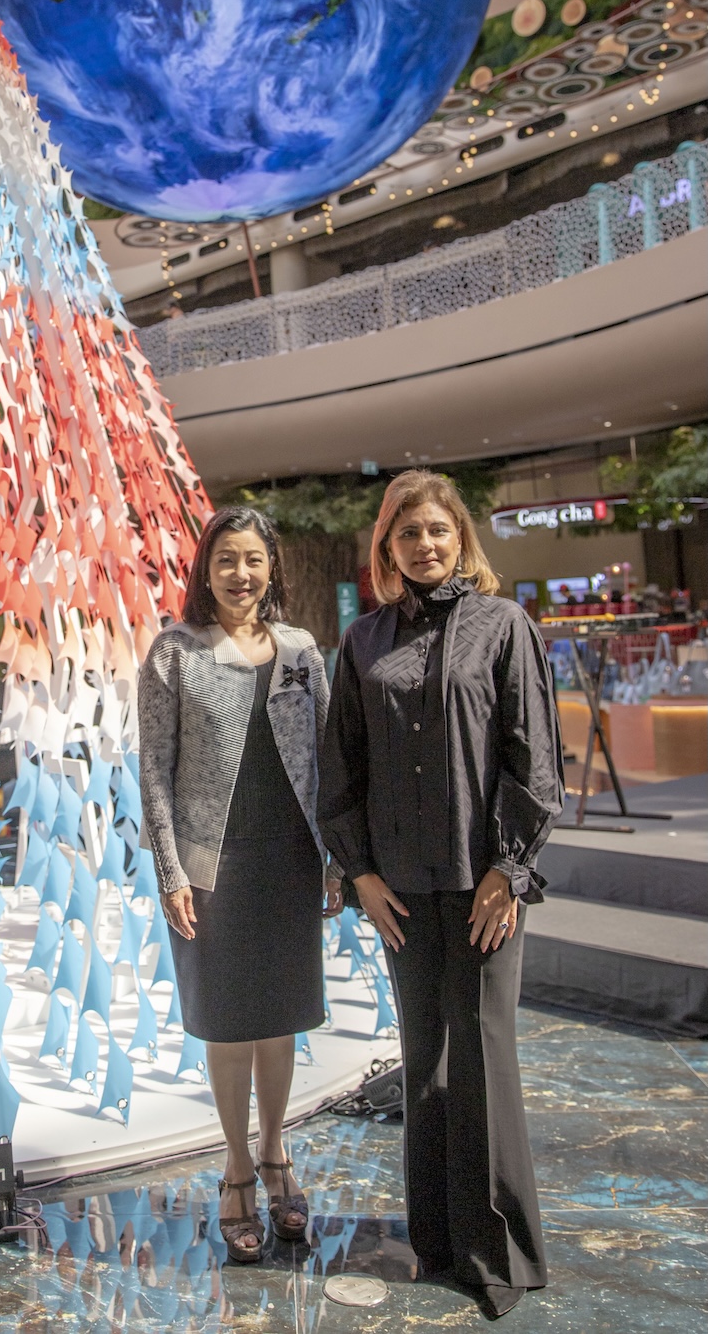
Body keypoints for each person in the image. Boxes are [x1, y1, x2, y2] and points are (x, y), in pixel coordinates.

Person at [318, 471, 564, 1321]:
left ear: (459, 537)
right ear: (386, 547)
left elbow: (532, 757)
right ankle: (435, 1241)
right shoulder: (362, 641)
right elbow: (341, 764)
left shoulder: (504, 626)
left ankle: (498, 1256)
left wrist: (509, 868)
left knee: (483, 1059)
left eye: (437, 530)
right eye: (407, 533)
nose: (424, 544)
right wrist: (359, 873)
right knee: (424, 1060)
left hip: (483, 885)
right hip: (400, 891)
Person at [139, 504, 342, 1264]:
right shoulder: (174, 652)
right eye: (225, 559)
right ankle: (234, 1168)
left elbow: (328, 759)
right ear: (206, 569)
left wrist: (336, 858)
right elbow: (153, 771)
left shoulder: (300, 651)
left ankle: (275, 1151)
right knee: (227, 1021)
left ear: (271, 567)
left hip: (289, 858)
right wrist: (170, 871)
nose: (240, 573)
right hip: (210, 867)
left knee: (279, 1019)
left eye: (253, 558)